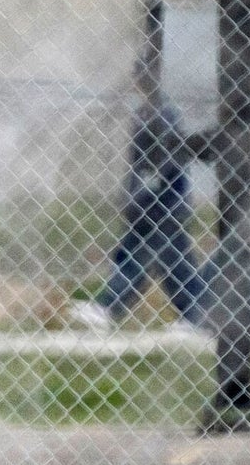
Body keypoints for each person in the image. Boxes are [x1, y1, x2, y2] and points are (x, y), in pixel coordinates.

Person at [68, 101, 206, 335]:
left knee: (136, 258)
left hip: (160, 205)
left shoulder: (159, 115)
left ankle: (108, 306)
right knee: (175, 265)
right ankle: (197, 317)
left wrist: (141, 195)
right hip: (159, 205)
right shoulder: (150, 111)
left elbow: (160, 163)